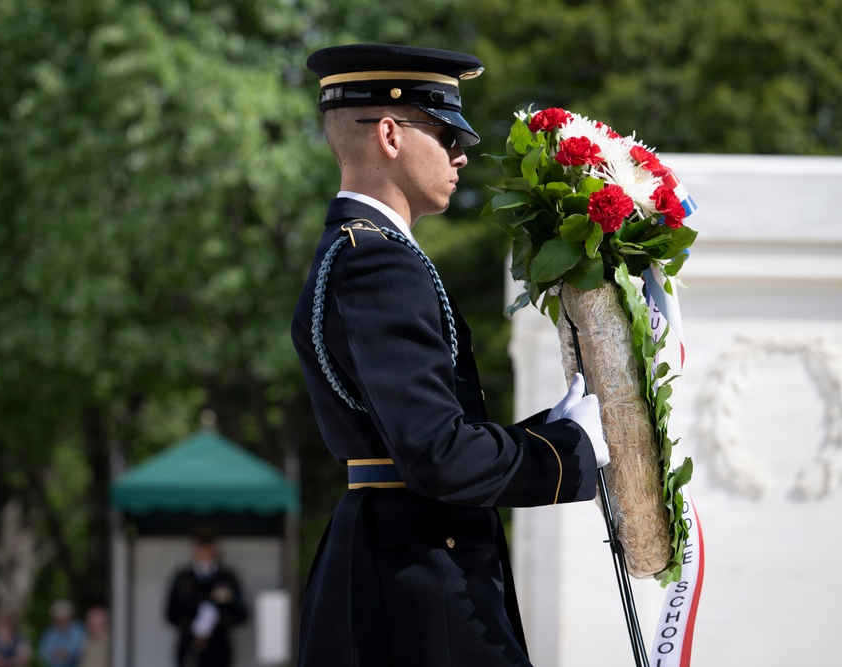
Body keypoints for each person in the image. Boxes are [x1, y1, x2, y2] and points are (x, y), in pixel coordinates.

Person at [291, 43, 611, 667]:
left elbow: (420, 439)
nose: (461, 154)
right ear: (389, 134)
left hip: (400, 554)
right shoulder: (379, 262)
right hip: (420, 579)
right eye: (445, 134)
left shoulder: (361, 249)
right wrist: (568, 450)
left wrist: (550, 428)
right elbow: (438, 456)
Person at [165, 528, 249, 667]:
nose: (204, 552)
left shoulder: (226, 577)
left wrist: (216, 621)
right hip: (189, 647)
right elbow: (170, 613)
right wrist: (193, 626)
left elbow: (241, 613)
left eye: (208, 547)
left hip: (218, 649)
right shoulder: (183, 577)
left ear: (216, 548)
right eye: (200, 547)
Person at [36, 600, 85, 667]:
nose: (61, 622)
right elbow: (43, 651)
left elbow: (80, 649)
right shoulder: (50, 631)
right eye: (58, 619)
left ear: (70, 617)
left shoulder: (78, 629)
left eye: (64, 618)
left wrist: (65, 653)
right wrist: (55, 654)